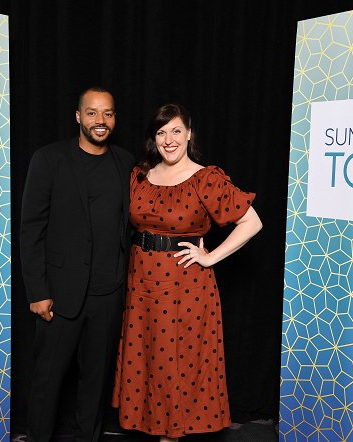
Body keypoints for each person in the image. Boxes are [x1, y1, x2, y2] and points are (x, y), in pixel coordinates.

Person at [112, 103, 263, 441]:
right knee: (147, 361)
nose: (169, 139)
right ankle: (157, 432)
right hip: (141, 285)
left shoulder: (205, 178)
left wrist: (211, 258)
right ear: (154, 138)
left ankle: (171, 437)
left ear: (189, 134)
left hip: (184, 287)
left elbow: (251, 222)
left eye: (176, 131)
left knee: (174, 366)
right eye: (162, 132)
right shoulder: (140, 175)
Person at [20, 87, 135, 442]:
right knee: (47, 381)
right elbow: (31, 229)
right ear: (78, 116)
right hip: (59, 296)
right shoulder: (48, 159)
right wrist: (38, 291)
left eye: (108, 114)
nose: (100, 121)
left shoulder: (126, 163)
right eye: (92, 113)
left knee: (94, 384)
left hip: (108, 293)